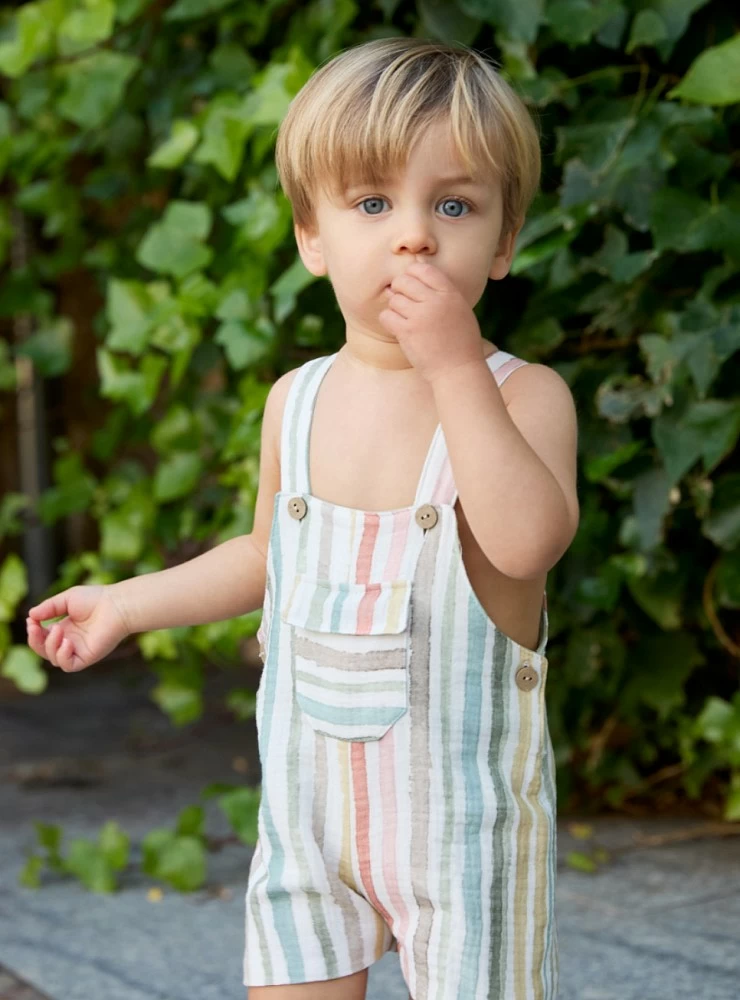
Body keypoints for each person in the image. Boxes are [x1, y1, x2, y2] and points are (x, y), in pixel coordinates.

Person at [25, 36, 579, 1000]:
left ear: (504, 241)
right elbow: (265, 555)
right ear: (311, 238)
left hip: (463, 833)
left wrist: (453, 369)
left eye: (453, 205)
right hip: (310, 824)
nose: (413, 236)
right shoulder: (301, 400)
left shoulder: (521, 399)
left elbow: (529, 545)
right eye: (373, 204)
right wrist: (128, 602)